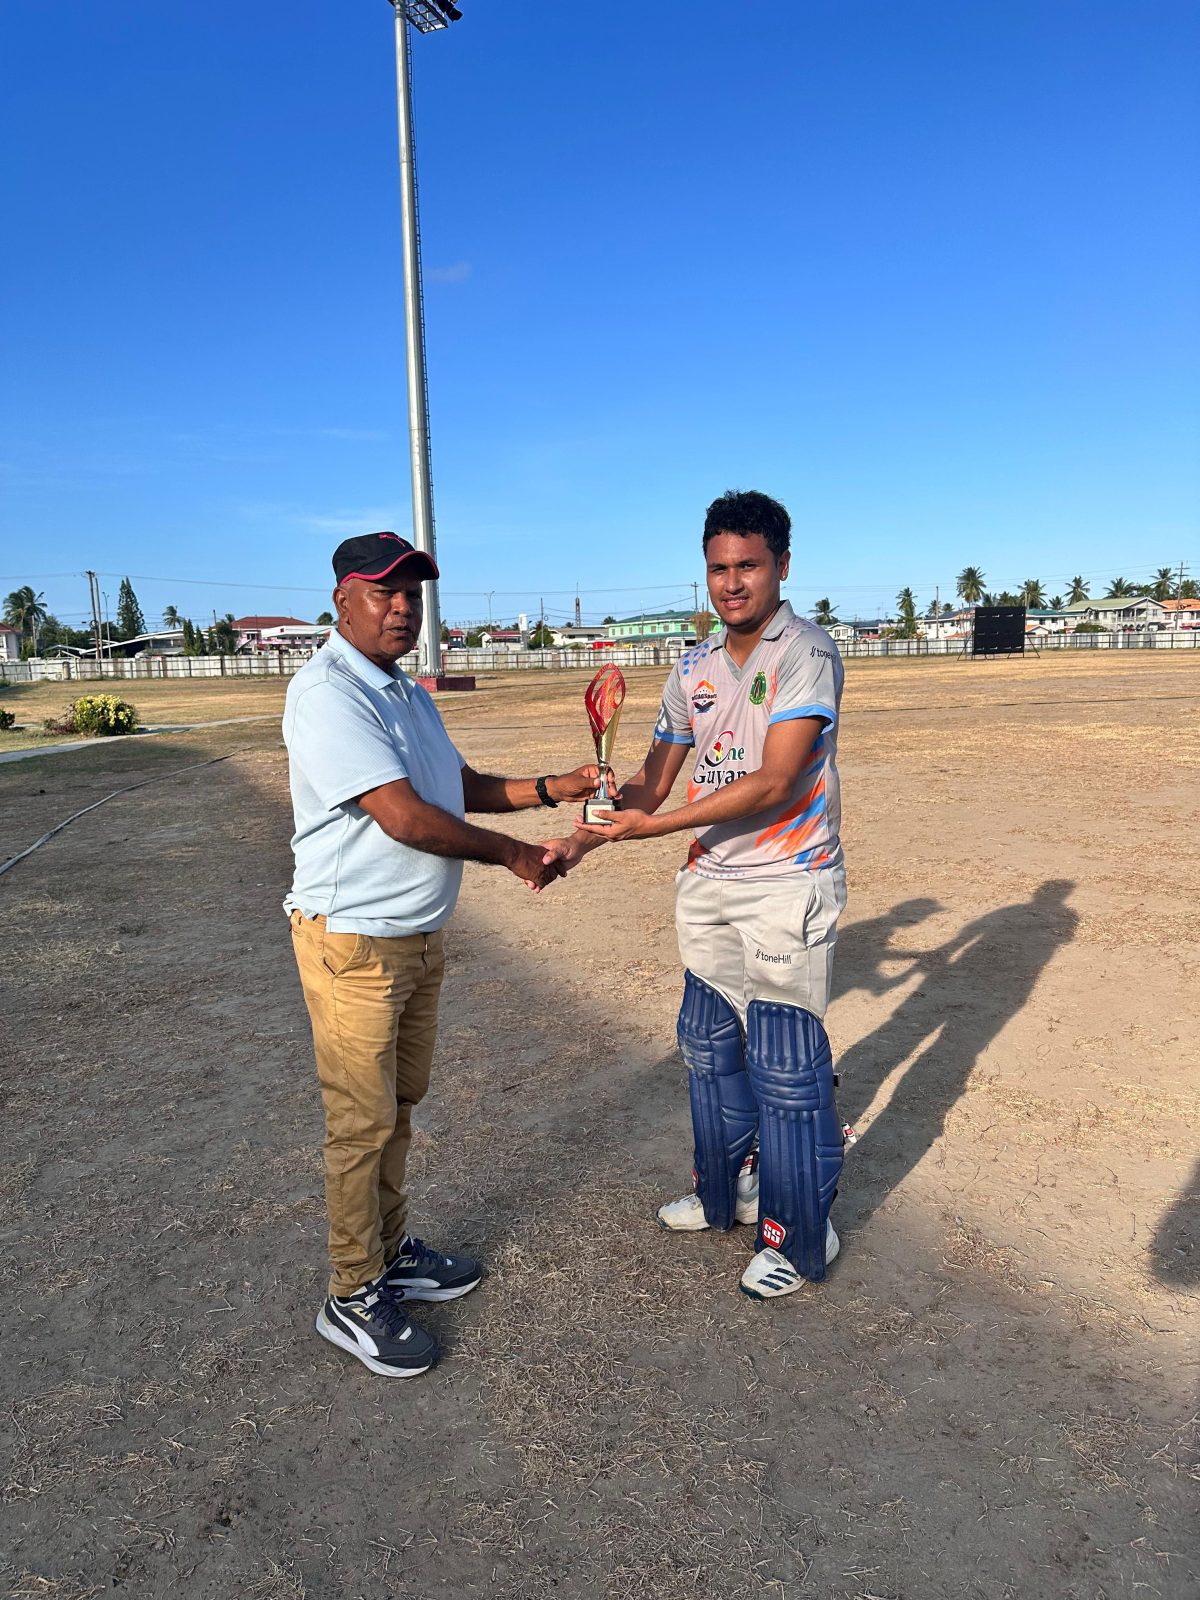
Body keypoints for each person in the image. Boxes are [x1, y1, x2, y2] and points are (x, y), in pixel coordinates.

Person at [284, 531, 603, 1377]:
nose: (402, 606)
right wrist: (510, 854)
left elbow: (451, 788)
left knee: (399, 1105)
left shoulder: (405, 693)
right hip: (354, 941)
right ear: (343, 597)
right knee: (361, 1122)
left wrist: (550, 789)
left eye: (413, 593)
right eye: (385, 591)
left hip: (416, 937)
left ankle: (390, 1256)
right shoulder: (327, 694)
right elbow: (402, 816)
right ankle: (352, 1293)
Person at [545, 490, 847, 1301]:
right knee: (709, 1050)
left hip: (789, 881)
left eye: (749, 566)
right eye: (718, 568)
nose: (732, 583)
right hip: (710, 884)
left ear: (782, 566)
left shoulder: (806, 653)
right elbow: (651, 779)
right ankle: (729, 1193)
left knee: (785, 1066)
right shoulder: (692, 669)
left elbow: (777, 780)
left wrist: (656, 827)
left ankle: (801, 1226)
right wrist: (581, 841)